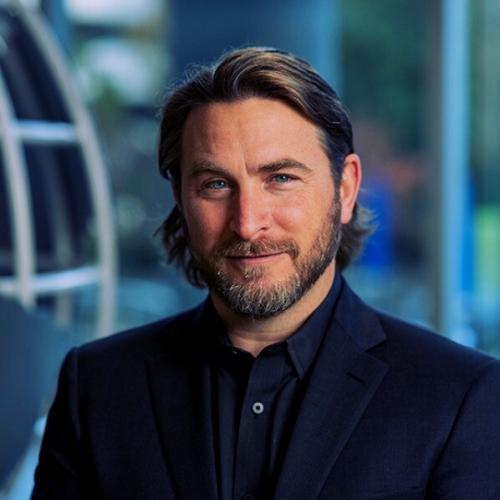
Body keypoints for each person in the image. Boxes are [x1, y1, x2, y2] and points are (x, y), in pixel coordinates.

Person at [32, 47, 500, 500]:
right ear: (180, 199)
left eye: (280, 179)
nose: (247, 222)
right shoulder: (96, 387)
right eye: (216, 184)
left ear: (346, 188)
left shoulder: (459, 396)